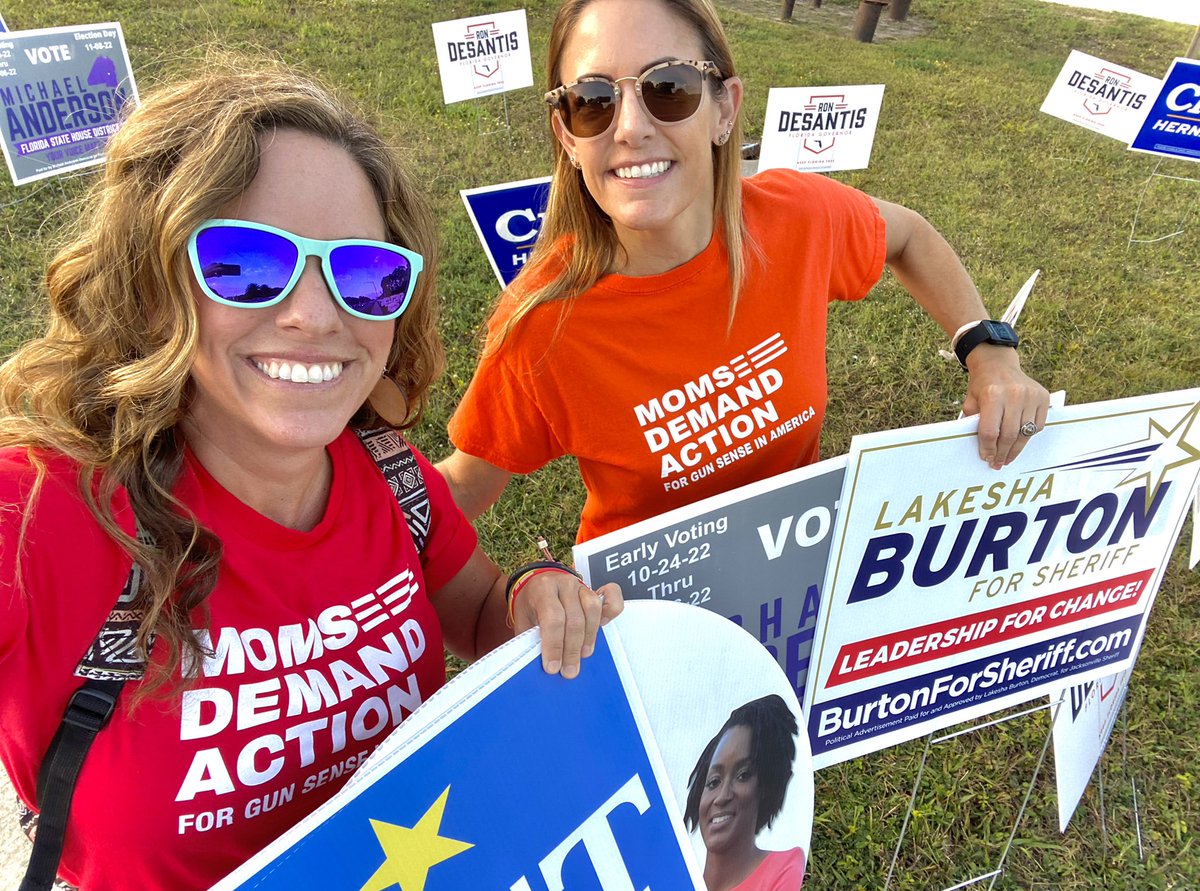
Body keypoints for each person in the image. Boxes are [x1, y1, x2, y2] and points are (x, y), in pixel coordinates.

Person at [0, 62, 622, 891]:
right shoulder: (39, 513)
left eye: (364, 274)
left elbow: (476, 609)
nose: (317, 314)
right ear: (152, 285)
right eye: (248, 262)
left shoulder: (389, 472)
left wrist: (535, 598)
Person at [439, 0, 1051, 544]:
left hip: (801, 573)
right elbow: (465, 485)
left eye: (668, 87)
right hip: (648, 613)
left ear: (724, 108)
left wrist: (988, 350)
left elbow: (909, 236)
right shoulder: (542, 321)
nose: (629, 128)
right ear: (568, 136)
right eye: (593, 101)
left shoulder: (796, 218)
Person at [684, 695, 805, 891]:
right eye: (713, 782)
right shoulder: (671, 884)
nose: (722, 797)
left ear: (766, 787)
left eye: (743, 776)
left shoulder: (782, 871)